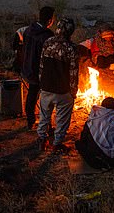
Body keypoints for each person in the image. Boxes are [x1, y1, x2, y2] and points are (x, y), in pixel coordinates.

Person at [37, 17, 78, 153]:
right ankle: (57, 143)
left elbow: (41, 65)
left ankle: (42, 139)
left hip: (46, 87)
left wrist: (41, 84)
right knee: (62, 119)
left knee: (44, 115)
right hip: (62, 90)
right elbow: (73, 72)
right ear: (70, 32)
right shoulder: (71, 48)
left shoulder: (47, 42)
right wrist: (73, 92)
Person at [21, 6, 55, 130]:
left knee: (32, 94)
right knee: (46, 99)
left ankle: (30, 121)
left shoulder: (29, 30)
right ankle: (46, 124)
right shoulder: (47, 36)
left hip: (28, 68)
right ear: (50, 20)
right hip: (39, 72)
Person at [75, 97, 114, 169]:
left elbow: (83, 137)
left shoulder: (93, 116)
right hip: (111, 159)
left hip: (94, 158)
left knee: (79, 144)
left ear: (102, 106)